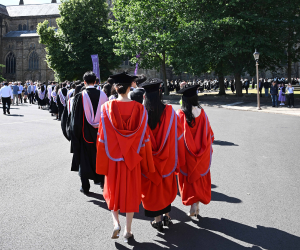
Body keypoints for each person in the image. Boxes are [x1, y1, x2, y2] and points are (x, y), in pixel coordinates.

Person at [96, 72, 155, 241]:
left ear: (115, 87)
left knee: (113, 190)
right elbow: (144, 138)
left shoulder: (106, 108)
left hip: (113, 158)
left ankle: (116, 223)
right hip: (133, 159)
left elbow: (102, 137)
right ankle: (128, 230)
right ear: (131, 86)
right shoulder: (140, 109)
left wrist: (102, 161)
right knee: (131, 193)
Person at [139, 78, 185, 232]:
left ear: (144, 96)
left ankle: (157, 219)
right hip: (166, 159)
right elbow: (178, 134)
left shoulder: (141, 114)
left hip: (148, 160)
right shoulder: (170, 112)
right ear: (160, 93)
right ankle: (166, 215)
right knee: (165, 187)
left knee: (152, 189)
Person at [176, 84, 214, 218]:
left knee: (188, 179)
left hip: (186, 154)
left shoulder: (180, 114)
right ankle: (196, 204)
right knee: (199, 178)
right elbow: (209, 134)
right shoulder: (202, 113)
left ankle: (193, 203)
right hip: (201, 152)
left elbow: (177, 135)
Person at [70, 71, 108, 196]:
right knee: (101, 159)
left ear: (84, 82)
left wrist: (74, 136)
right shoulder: (103, 95)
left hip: (84, 135)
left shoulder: (80, 96)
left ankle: (85, 187)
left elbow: (75, 120)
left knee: (84, 160)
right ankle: (103, 184)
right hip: (101, 136)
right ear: (96, 82)